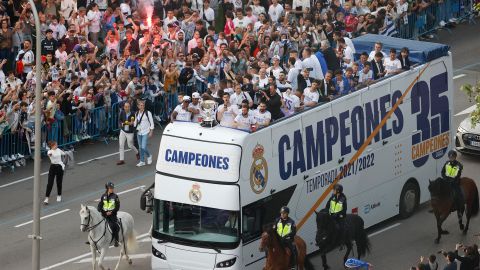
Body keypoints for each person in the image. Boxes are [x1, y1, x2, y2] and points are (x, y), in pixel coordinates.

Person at [97, 182, 120, 247]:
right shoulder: (103, 196)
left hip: (112, 215)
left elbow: (117, 207)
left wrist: (111, 212)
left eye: (112, 188)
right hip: (104, 214)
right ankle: (93, 240)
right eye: (110, 188)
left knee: (114, 226)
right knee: (96, 224)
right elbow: (100, 204)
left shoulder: (115, 196)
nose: (112, 189)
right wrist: (98, 210)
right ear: (107, 188)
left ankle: (116, 240)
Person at [134, 100, 154, 167]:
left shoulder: (148, 113)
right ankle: (142, 161)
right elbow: (135, 123)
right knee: (140, 147)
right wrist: (132, 125)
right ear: (138, 106)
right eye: (140, 105)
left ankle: (149, 155)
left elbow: (151, 123)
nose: (142, 107)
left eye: (143, 105)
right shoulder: (136, 113)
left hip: (146, 132)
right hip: (139, 132)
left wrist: (151, 132)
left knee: (143, 147)